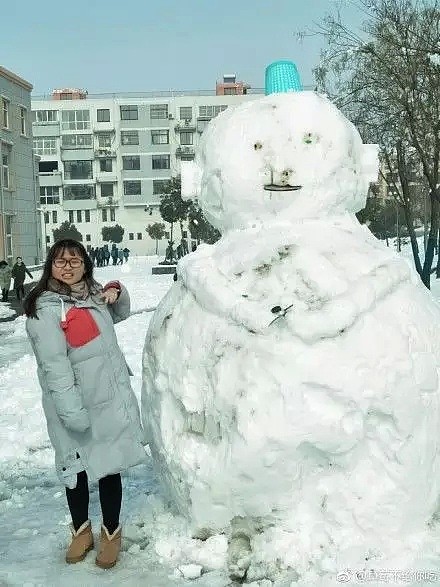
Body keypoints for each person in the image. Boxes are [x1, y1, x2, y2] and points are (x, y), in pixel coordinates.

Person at [24, 239, 147, 569]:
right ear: (50, 265)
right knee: (75, 470)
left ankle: (111, 532)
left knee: (109, 467)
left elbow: (119, 314)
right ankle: (80, 530)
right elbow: (55, 368)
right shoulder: (44, 310)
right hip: (73, 406)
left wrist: (116, 289)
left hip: (104, 401)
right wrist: (71, 412)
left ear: (85, 265)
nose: (67, 266)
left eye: (75, 261)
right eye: (61, 261)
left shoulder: (93, 296)